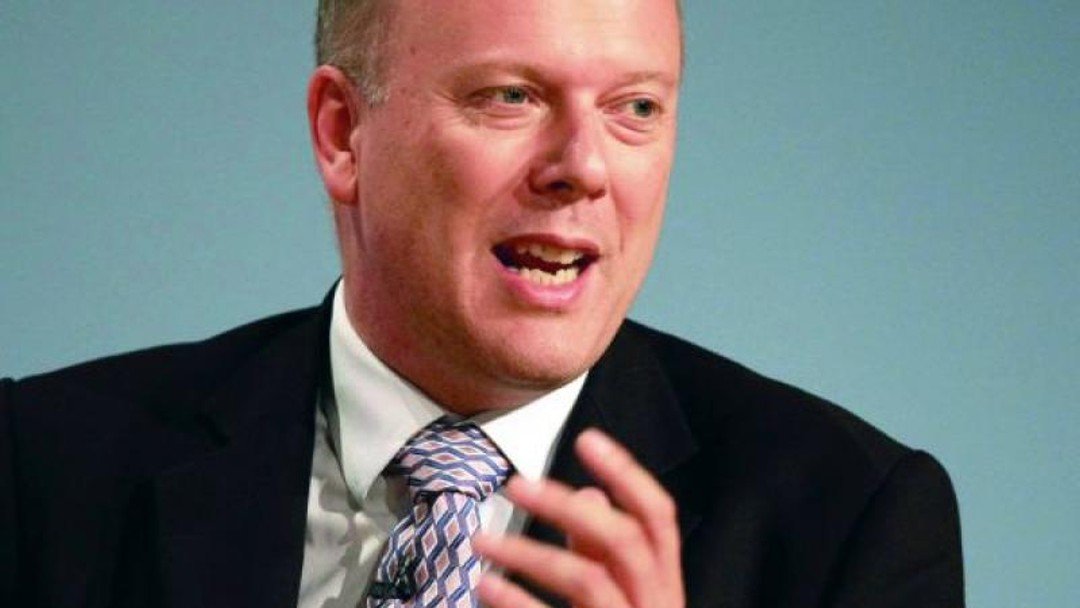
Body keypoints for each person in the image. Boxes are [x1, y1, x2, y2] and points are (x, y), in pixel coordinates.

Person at [0, 1, 964, 606]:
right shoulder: (40, 468)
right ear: (342, 134)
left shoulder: (850, 525)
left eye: (635, 108)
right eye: (511, 97)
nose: (583, 167)